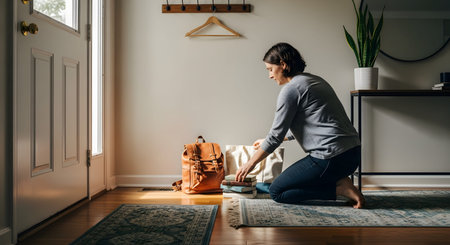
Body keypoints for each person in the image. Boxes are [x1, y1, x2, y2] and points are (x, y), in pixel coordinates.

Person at [235, 42, 365, 208]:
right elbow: (316, 123)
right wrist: (280, 139)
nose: (270, 75)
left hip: (332, 158)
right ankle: (337, 178)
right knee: (293, 183)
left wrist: (249, 164)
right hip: (351, 155)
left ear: (283, 65)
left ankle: (339, 189)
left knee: (277, 192)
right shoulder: (313, 80)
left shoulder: (292, 89)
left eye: (270, 69)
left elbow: (275, 136)